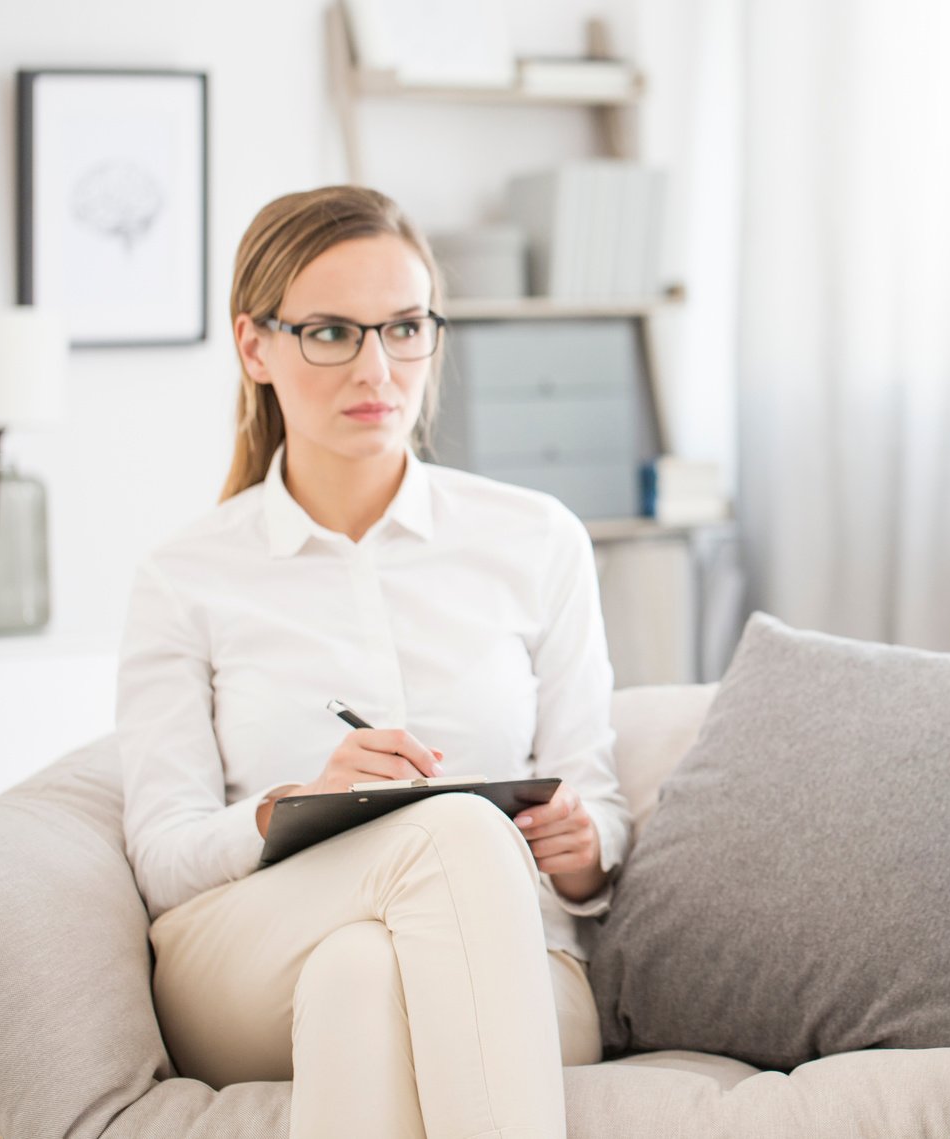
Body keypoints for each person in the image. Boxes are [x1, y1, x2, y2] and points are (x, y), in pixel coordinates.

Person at [117, 185, 630, 1139]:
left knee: (361, 973)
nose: (377, 368)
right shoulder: (183, 577)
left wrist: (583, 844)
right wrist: (287, 806)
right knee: (452, 831)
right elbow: (163, 856)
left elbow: (596, 800)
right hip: (244, 956)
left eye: (404, 328)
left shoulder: (537, 539)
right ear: (255, 346)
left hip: (514, 959)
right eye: (329, 333)